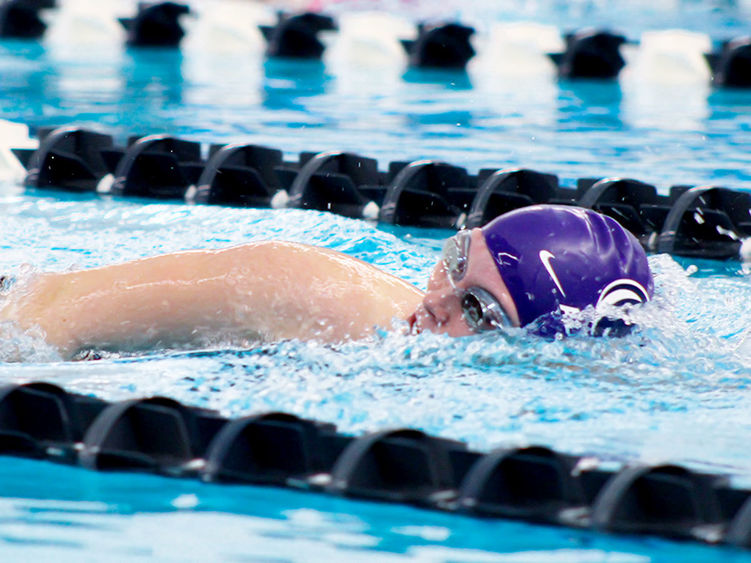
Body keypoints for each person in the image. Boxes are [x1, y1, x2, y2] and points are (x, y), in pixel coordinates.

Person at [0, 205, 653, 359]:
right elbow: (41, 313)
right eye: (455, 261)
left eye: (477, 309)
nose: (433, 301)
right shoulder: (310, 289)